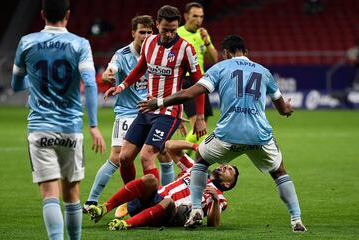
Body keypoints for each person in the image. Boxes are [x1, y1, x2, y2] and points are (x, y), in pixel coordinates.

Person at [138, 35, 307, 232]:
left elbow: (189, 93)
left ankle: (196, 210)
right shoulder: (264, 72)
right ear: (246, 53)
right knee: (279, 172)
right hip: (259, 135)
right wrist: (287, 109)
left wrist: (159, 102)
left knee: (200, 158)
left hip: (228, 134)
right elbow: (282, 109)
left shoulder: (220, 67)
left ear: (225, 53)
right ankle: (296, 219)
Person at [11, 0, 106, 239]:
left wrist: (35, 81)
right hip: (71, 128)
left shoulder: (27, 42)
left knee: (49, 194)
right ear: (68, 15)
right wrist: (93, 125)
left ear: (42, 14)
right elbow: (91, 83)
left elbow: (16, 84)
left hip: (40, 128)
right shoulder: (80, 44)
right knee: (72, 194)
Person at [103, 5, 207, 186]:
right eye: (165, 30)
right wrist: (121, 86)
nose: (168, 34)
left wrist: (200, 116)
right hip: (147, 108)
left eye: (173, 30)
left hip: (168, 112)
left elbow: (201, 85)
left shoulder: (186, 49)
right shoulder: (149, 42)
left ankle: (155, 204)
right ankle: (132, 197)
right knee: (124, 157)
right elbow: (140, 68)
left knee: (146, 156)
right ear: (157, 24)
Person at [83, 15, 157, 212]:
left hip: (153, 110)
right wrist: (108, 75)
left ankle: (164, 199)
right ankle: (92, 200)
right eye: (142, 32)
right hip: (128, 112)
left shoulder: (159, 52)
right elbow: (111, 69)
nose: (146, 36)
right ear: (133, 33)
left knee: (163, 154)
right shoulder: (122, 54)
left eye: (150, 32)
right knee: (118, 157)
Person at [87, 139, 239, 230]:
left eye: (230, 170)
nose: (226, 166)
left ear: (226, 184)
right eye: (227, 165)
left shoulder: (220, 198)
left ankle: (126, 224)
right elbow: (168, 145)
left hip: (170, 213)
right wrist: (195, 147)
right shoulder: (195, 168)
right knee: (150, 179)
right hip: (152, 199)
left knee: (169, 201)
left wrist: (214, 199)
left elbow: (213, 224)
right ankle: (104, 207)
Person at [177, 2, 218, 156]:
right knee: (197, 127)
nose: (199, 19)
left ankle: (187, 163)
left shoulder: (203, 34)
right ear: (186, 16)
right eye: (195, 16)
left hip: (201, 82)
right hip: (185, 81)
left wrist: (207, 41)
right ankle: (194, 165)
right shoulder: (178, 34)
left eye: (201, 16)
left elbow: (214, 59)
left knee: (200, 130)